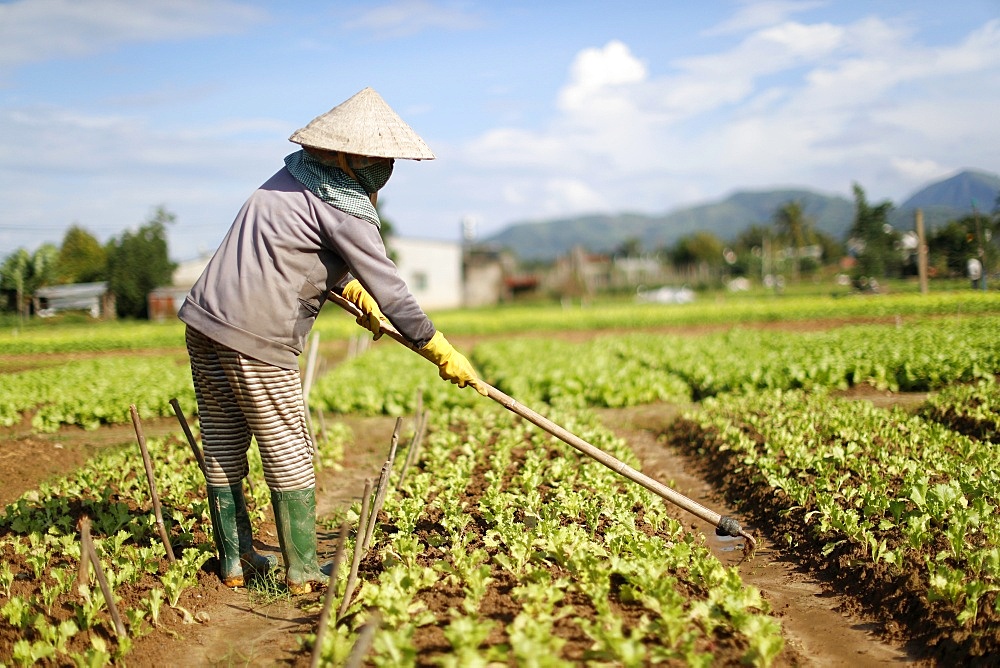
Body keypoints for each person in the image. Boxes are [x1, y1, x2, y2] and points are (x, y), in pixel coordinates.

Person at [178, 87, 487, 594]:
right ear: (347, 155)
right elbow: (392, 288)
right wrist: (437, 348)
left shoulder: (288, 181)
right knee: (288, 446)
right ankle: (301, 570)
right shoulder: (341, 204)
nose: (384, 166)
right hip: (255, 335)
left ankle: (235, 562)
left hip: (204, 320)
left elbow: (294, 257)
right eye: (376, 156)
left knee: (223, 437)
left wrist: (350, 290)